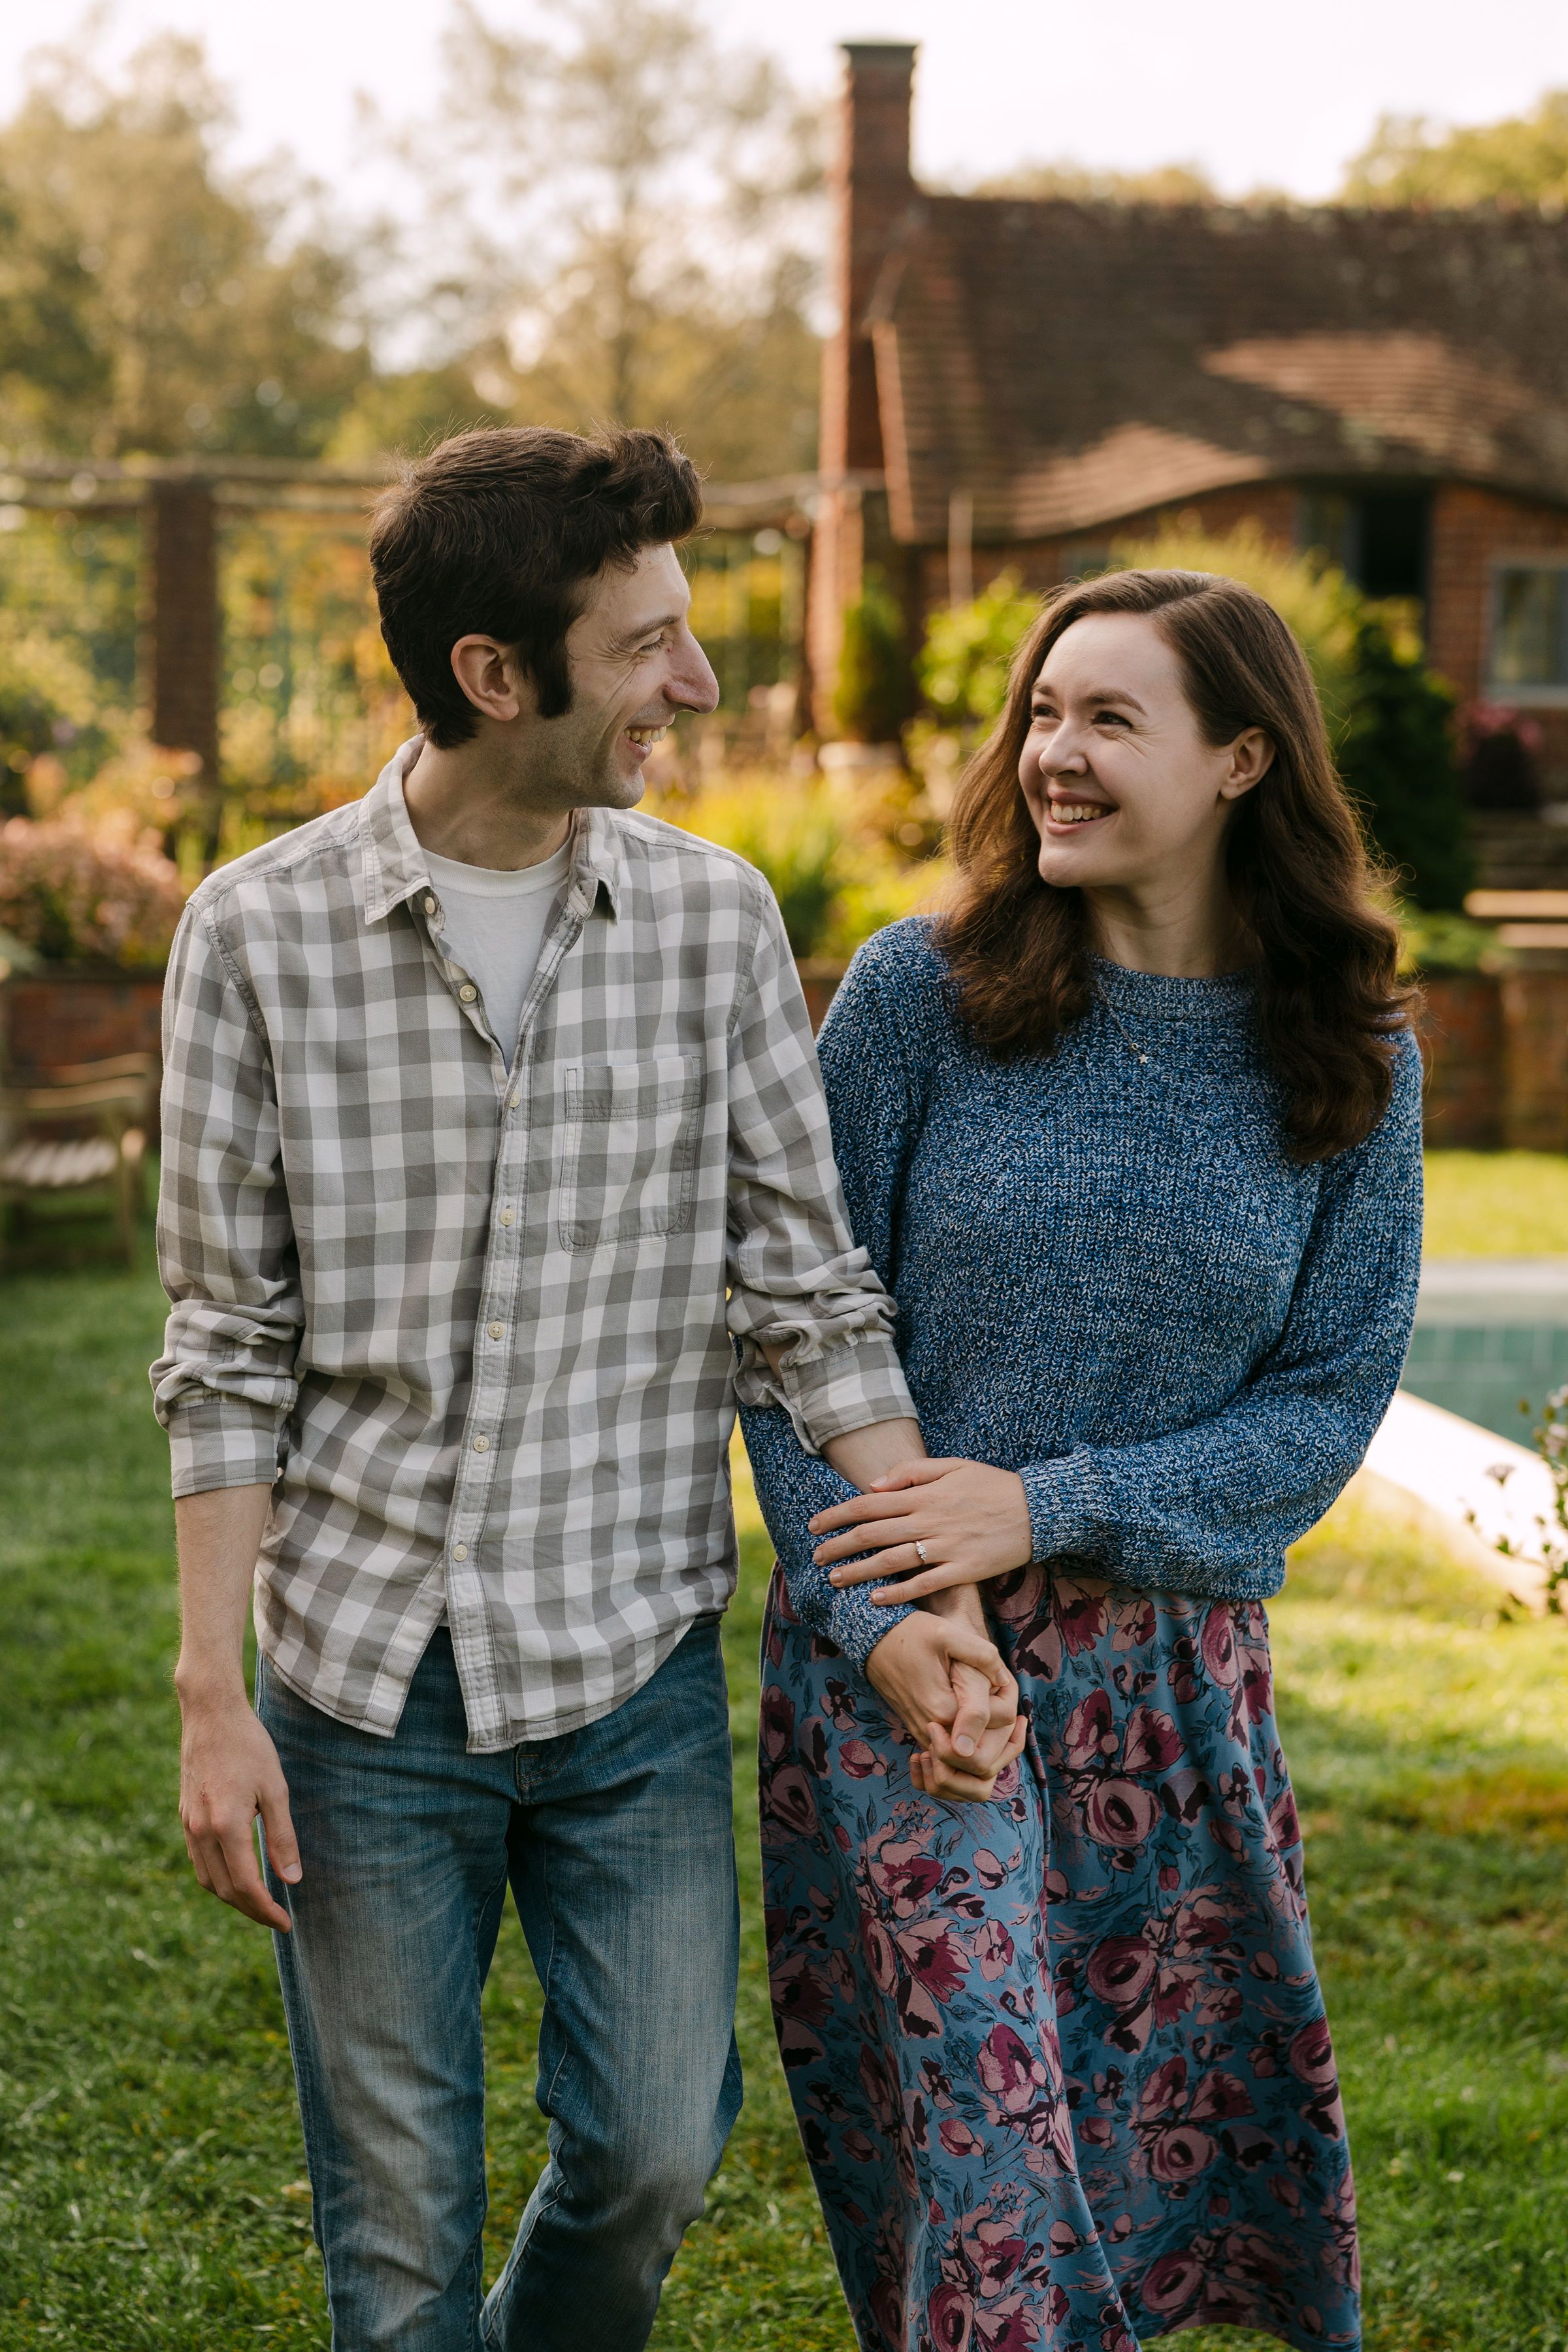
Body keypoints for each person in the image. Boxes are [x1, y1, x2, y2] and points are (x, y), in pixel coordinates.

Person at [150, 423, 1021, 2352]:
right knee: (397, 2246)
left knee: (652, 2151)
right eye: (647, 644)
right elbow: (225, 1350)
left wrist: (936, 1592)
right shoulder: (256, 935)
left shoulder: (713, 921)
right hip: (362, 1683)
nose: (694, 684)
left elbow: (810, 1297)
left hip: (628, 1667)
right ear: (494, 672)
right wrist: (214, 1693)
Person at [741, 566, 1423, 2352]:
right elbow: (791, 1331)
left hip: (1172, 1689)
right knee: (987, 2162)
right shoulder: (922, 994)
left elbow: (1327, 1400)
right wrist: (881, 1612)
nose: (1054, 752)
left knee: (1121, 2157)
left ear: (1244, 759)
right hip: (915, 1664)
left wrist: (1050, 1502)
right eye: (1042, 714)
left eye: (1110, 718)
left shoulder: (1348, 1050)